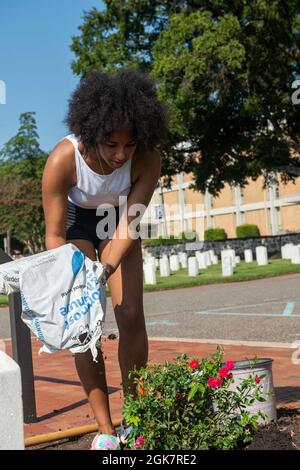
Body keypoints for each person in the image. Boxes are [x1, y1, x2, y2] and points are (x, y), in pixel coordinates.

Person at [42, 68, 168, 450]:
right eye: (111, 144)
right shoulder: (63, 159)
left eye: (128, 146)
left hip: (118, 220)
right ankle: (105, 429)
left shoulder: (147, 159)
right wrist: (70, 280)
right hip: (76, 225)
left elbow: (129, 225)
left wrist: (107, 267)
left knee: (130, 314)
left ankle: (135, 417)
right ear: (90, 134)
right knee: (85, 326)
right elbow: (54, 234)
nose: (120, 155)